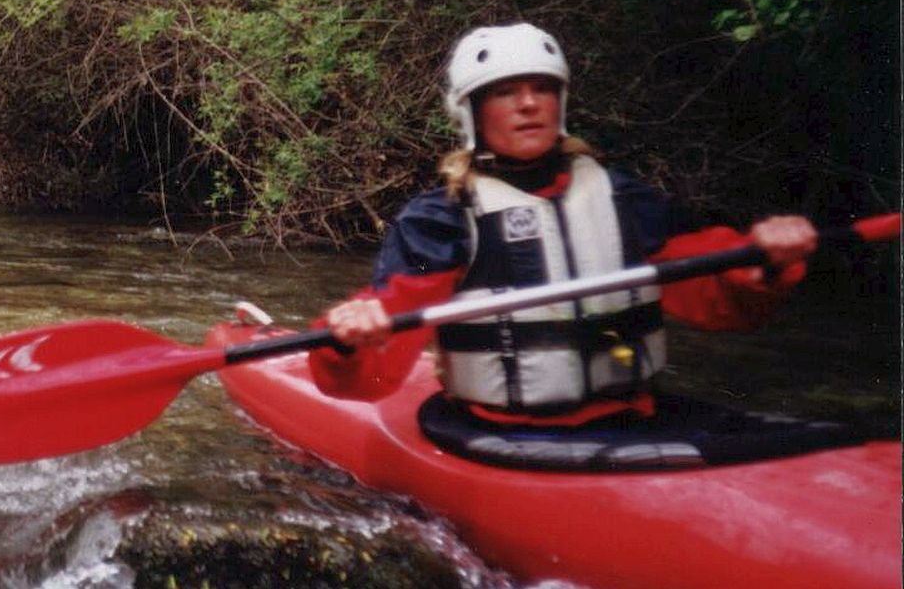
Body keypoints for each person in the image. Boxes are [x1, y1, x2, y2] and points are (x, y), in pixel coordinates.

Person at [313, 22, 817, 425]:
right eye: (506, 92)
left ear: (562, 102)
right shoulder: (443, 218)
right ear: (473, 112)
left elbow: (724, 301)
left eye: (542, 88)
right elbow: (369, 371)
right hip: (501, 430)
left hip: (632, 415)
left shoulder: (621, 197)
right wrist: (351, 338)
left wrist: (764, 262)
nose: (529, 103)